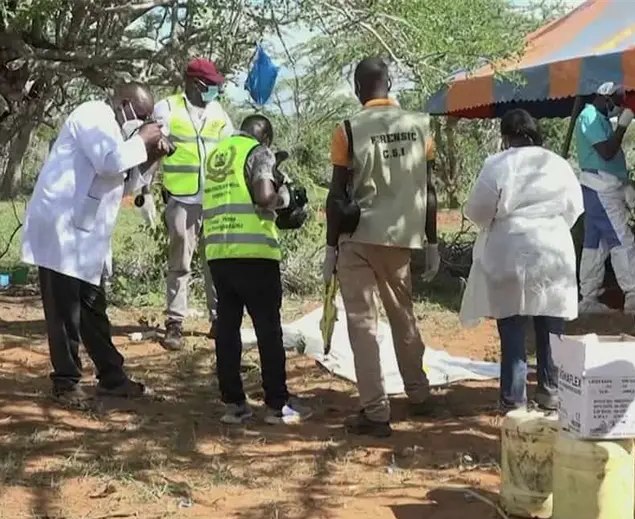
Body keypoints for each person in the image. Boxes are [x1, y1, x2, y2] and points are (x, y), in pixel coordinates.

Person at [21, 83, 169, 407]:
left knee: (91, 307)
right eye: (141, 116)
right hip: (60, 226)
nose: (143, 124)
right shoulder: (94, 115)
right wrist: (143, 141)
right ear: (125, 104)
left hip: (86, 233)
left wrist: (152, 156)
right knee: (64, 311)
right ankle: (66, 382)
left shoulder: (119, 134)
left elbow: (128, 182)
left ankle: (112, 377)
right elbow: (108, 163)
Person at [323, 57, 439, 438]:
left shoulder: (348, 129)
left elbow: (337, 194)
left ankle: (376, 410)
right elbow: (430, 190)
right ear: (390, 83)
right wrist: (433, 241)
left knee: (363, 324)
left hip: (358, 238)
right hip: (402, 238)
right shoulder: (421, 126)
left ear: (358, 89)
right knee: (403, 315)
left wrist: (329, 249)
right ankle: (419, 394)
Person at [460, 110, 582, 412]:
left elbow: (477, 211)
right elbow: (574, 208)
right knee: (552, 325)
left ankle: (514, 400)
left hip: (510, 249)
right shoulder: (557, 164)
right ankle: (550, 391)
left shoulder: (497, 164)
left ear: (505, 137)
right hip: (554, 246)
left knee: (513, 327)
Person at [202, 114, 313, 425]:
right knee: (268, 330)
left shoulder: (217, 155)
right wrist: (288, 198)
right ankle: (278, 404)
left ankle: (234, 405)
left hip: (219, 253)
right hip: (254, 254)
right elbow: (264, 196)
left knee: (227, 329)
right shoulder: (259, 153)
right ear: (265, 138)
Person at [151, 58, 235, 350]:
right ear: (196, 84)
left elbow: (231, 146)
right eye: (211, 85)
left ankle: (218, 320)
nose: (215, 90)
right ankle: (175, 323)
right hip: (181, 197)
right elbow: (153, 141)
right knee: (180, 263)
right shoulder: (168, 107)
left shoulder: (218, 111)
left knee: (217, 263)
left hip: (214, 197)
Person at [575, 82, 635, 315]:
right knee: (621, 240)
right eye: (617, 100)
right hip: (601, 189)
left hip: (601, 187)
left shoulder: (598, 118)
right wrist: (623, 126)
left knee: (596, 245)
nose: (619, 105)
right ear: (605, 96)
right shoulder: (590, 117)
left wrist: (624, 183)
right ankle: (633, 294)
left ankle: (588, 298)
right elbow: (607, 152)